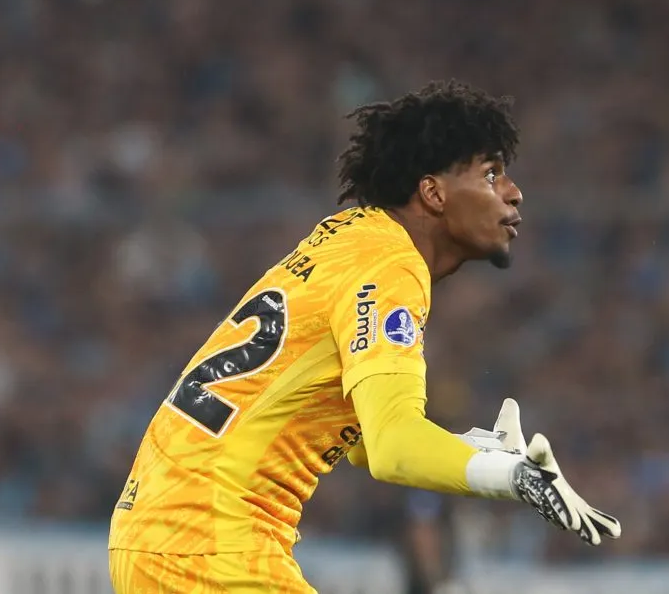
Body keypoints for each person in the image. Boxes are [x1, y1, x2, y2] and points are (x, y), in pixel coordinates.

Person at [107, 80, 621, 593]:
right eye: (490, 174)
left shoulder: (351, 237)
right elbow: (393, 447)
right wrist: (513, 478)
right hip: (210, 545)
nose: (512, 191)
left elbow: (367, 442)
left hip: (162, 533)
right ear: (433, 192)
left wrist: (476, 451)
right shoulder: (389, 266)